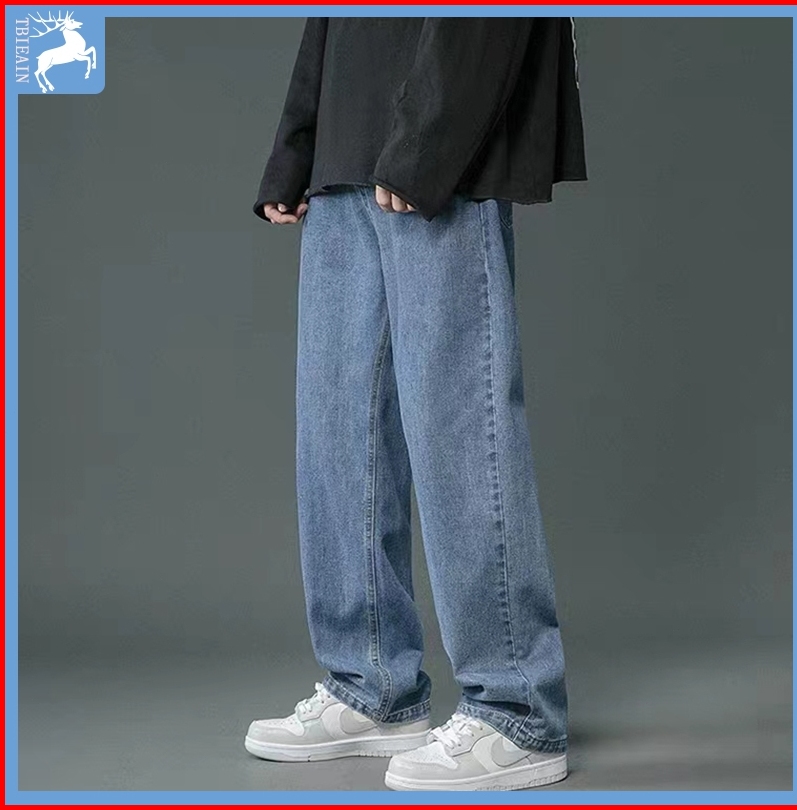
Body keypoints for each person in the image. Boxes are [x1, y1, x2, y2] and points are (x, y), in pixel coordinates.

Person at [243, 16, 587, 792]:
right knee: (338, 426)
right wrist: (297, 147)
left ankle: (517, 709)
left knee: (459, 424)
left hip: (441, 141)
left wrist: (431, 139)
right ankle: (370, 687)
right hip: (347, 142)